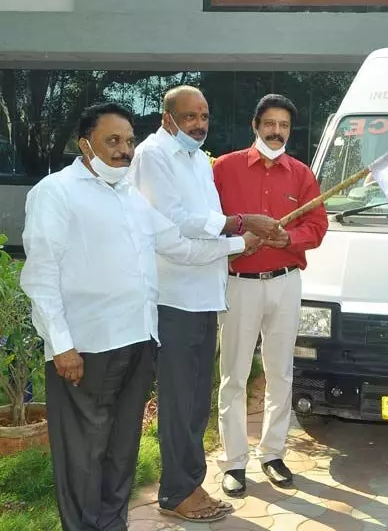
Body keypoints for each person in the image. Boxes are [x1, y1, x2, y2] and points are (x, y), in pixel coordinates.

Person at [19, 102, 257, 531]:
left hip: (137, 341)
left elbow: (177, 246)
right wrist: (61, 345)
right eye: (112, 141)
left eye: (128, 141)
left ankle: (113, 524)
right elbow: (41, 277)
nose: (124, 151)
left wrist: (239, 244)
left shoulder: (130, 197)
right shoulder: (55, 193)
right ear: (85, 144)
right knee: (83, 452)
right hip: (85, 348)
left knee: (121, 448)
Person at [129, 85, 282, 522]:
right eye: (189, 116)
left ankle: (189, 484)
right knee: (179, 402)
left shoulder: (198, 158)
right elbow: (177, 228)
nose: (199, 124)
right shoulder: (153, 156)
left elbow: (208, 230)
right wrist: (239, 228)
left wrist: (236, 241)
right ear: (167, 118)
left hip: (203, 297)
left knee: (196, 400)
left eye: (204, 115)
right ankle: (178, 491)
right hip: (173, 298)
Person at [214, 94, 329, 497]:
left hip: (285, 281)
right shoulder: (224, 169)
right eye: (270, 124)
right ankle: (234, 462)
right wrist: (233, 238)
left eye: (283, 126)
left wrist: (288, 236)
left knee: (281, 371)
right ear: (255, 125)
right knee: (234, 375)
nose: (276, 132)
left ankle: (273, 454)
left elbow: (317, 226)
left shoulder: (301, 174)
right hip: (239, 283)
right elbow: (208, 219)